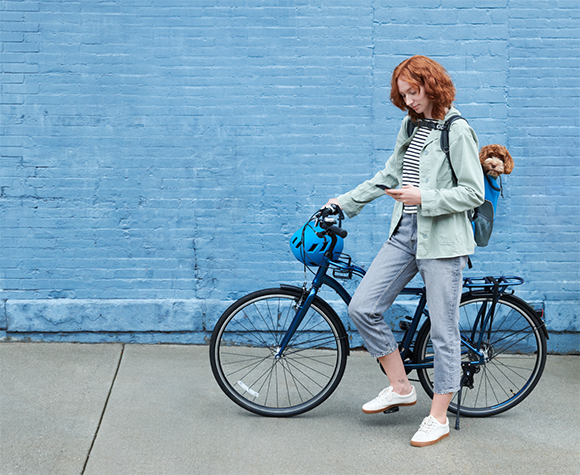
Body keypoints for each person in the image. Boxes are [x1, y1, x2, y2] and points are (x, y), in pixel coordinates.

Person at [325, 55, 484, 447]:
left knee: (444, 330)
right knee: (363, 306)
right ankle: (400, 386)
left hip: (442, 239)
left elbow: (473, 191)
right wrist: (344, 203)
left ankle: (438, 417)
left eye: (414, 91)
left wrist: (423, 196)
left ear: (431, 84)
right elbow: (390, 175)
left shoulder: (457, 130)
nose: (409, 100)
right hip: (405, 231)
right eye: (403, 94)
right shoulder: (410, 125)